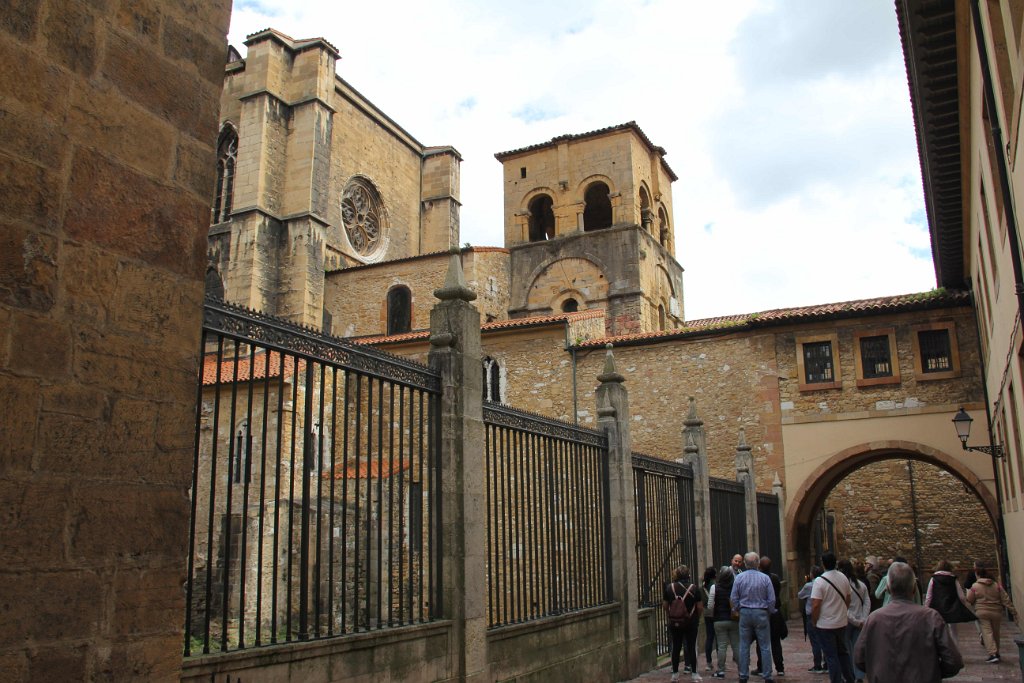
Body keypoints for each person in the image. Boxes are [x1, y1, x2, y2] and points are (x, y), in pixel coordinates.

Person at [854, 561, 963, 682]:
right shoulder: (931, 617)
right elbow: (953, 660)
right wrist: (932, 673)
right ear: (914, 588)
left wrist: (878, 671)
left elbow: (859, 658)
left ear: (888, 589)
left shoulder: (874, 619)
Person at [729, 552, 776, 683]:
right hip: (761, 612)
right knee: (765, 646)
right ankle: (767, 675)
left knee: (744, 645)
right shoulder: (765, 578)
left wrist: (737, 609)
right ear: (758, 563)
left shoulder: (739, 578)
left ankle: (743, 675)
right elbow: (771, 599)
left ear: (745, 563)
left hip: (745, 612)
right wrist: (769, 611)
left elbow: (733, 597)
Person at [811, 552, 855, 683]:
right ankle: (849, 678)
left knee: (831, 655)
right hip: (841, 622)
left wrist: (814, 620)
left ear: (823, 564)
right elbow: (848, 598)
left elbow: (816, 604)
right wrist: (842, 610)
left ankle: (836, 680)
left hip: (825, 624)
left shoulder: (819, 581)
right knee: (843, 653)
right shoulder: (843, 577)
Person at [966, 563, 1019, 663]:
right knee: (996, 633)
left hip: (982, 611)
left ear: (978, 575)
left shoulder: (975, 586)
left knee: (987, 632)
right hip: (996, 611)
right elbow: (1005, 599)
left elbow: (969, 599)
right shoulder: (996, 585)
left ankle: (992, 653)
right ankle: (997, 652)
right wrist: (1013, 611)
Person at [664, 565, 703, 682]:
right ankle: (694, 673)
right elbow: (699, 607)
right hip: (691, 622)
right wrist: (696, 617)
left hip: (675, 622)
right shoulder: (694, 588)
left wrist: (670, 615)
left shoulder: (669, 588)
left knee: (676, 647)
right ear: (688, 575)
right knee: (691, 647)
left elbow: (665, 605)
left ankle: (675, 674)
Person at [924, 559, 976, 642]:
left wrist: (926, 608)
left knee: (940, 629)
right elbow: (961, 596)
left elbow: (929, 596)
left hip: (938, 607)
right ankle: (954, 646)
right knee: (953, 630)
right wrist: (963, 606)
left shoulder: (933, 579)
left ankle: (943, 645)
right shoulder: (953, 579)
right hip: (952, 607)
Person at [753, 556, 785, 677]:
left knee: (761, 641)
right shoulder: (775, 578)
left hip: (763, 612)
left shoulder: (759, 579)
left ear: (759, 566)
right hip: (775, 612)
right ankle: (780, 668)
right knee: (776, 641)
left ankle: (761, 667)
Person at [839, 559, 869, 683]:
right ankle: (859, 675)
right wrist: (863, 618)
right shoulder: (861, 585)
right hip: (859, 620)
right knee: (858, 648)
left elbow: (843, 606)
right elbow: (867, 602)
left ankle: (849, 673)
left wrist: (854, 620)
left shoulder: (842, 586)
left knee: (846, 649)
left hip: (847, 621)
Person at [707, 566, 740, 679]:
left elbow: (710, 606)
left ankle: (721, 671)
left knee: (721, 646)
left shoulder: (714, 588)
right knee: (736, 645)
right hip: (733, 619)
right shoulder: (736, 587)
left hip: (719, 620)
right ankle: (742, 670)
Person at [798, 566, 827, 674]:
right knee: (824, 640)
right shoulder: (824, 584)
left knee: (815, 641)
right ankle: (826, 664)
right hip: (823, 614)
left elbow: (800, 595)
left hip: (811, 614)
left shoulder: (809, 585)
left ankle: (817, 664)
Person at [701, 566, 718, 673]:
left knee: (709, 637)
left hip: (707, 613)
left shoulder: (703, 586)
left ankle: (708, 662)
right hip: (716, 613)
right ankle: (720, 662)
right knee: (718, 638)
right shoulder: (714, 585)